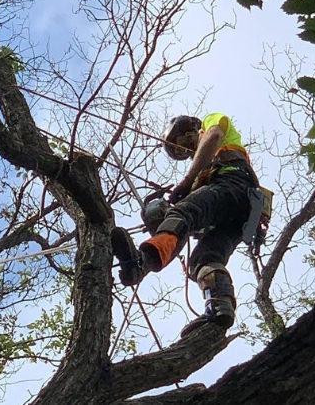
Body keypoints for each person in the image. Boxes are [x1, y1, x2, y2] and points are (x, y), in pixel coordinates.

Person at [111, 112, 260, 337]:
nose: (184, 152)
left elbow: (213, 136)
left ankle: (142, 263)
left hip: (234, 185)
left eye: (182, 145)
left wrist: (186, 183)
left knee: (184, 213)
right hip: (247, 213)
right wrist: (162, 218)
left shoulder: (212, 123)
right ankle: (220, 308)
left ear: (190, 130)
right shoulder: (205, 176)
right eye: (180, 152)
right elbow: (193, 224)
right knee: (204, 259)